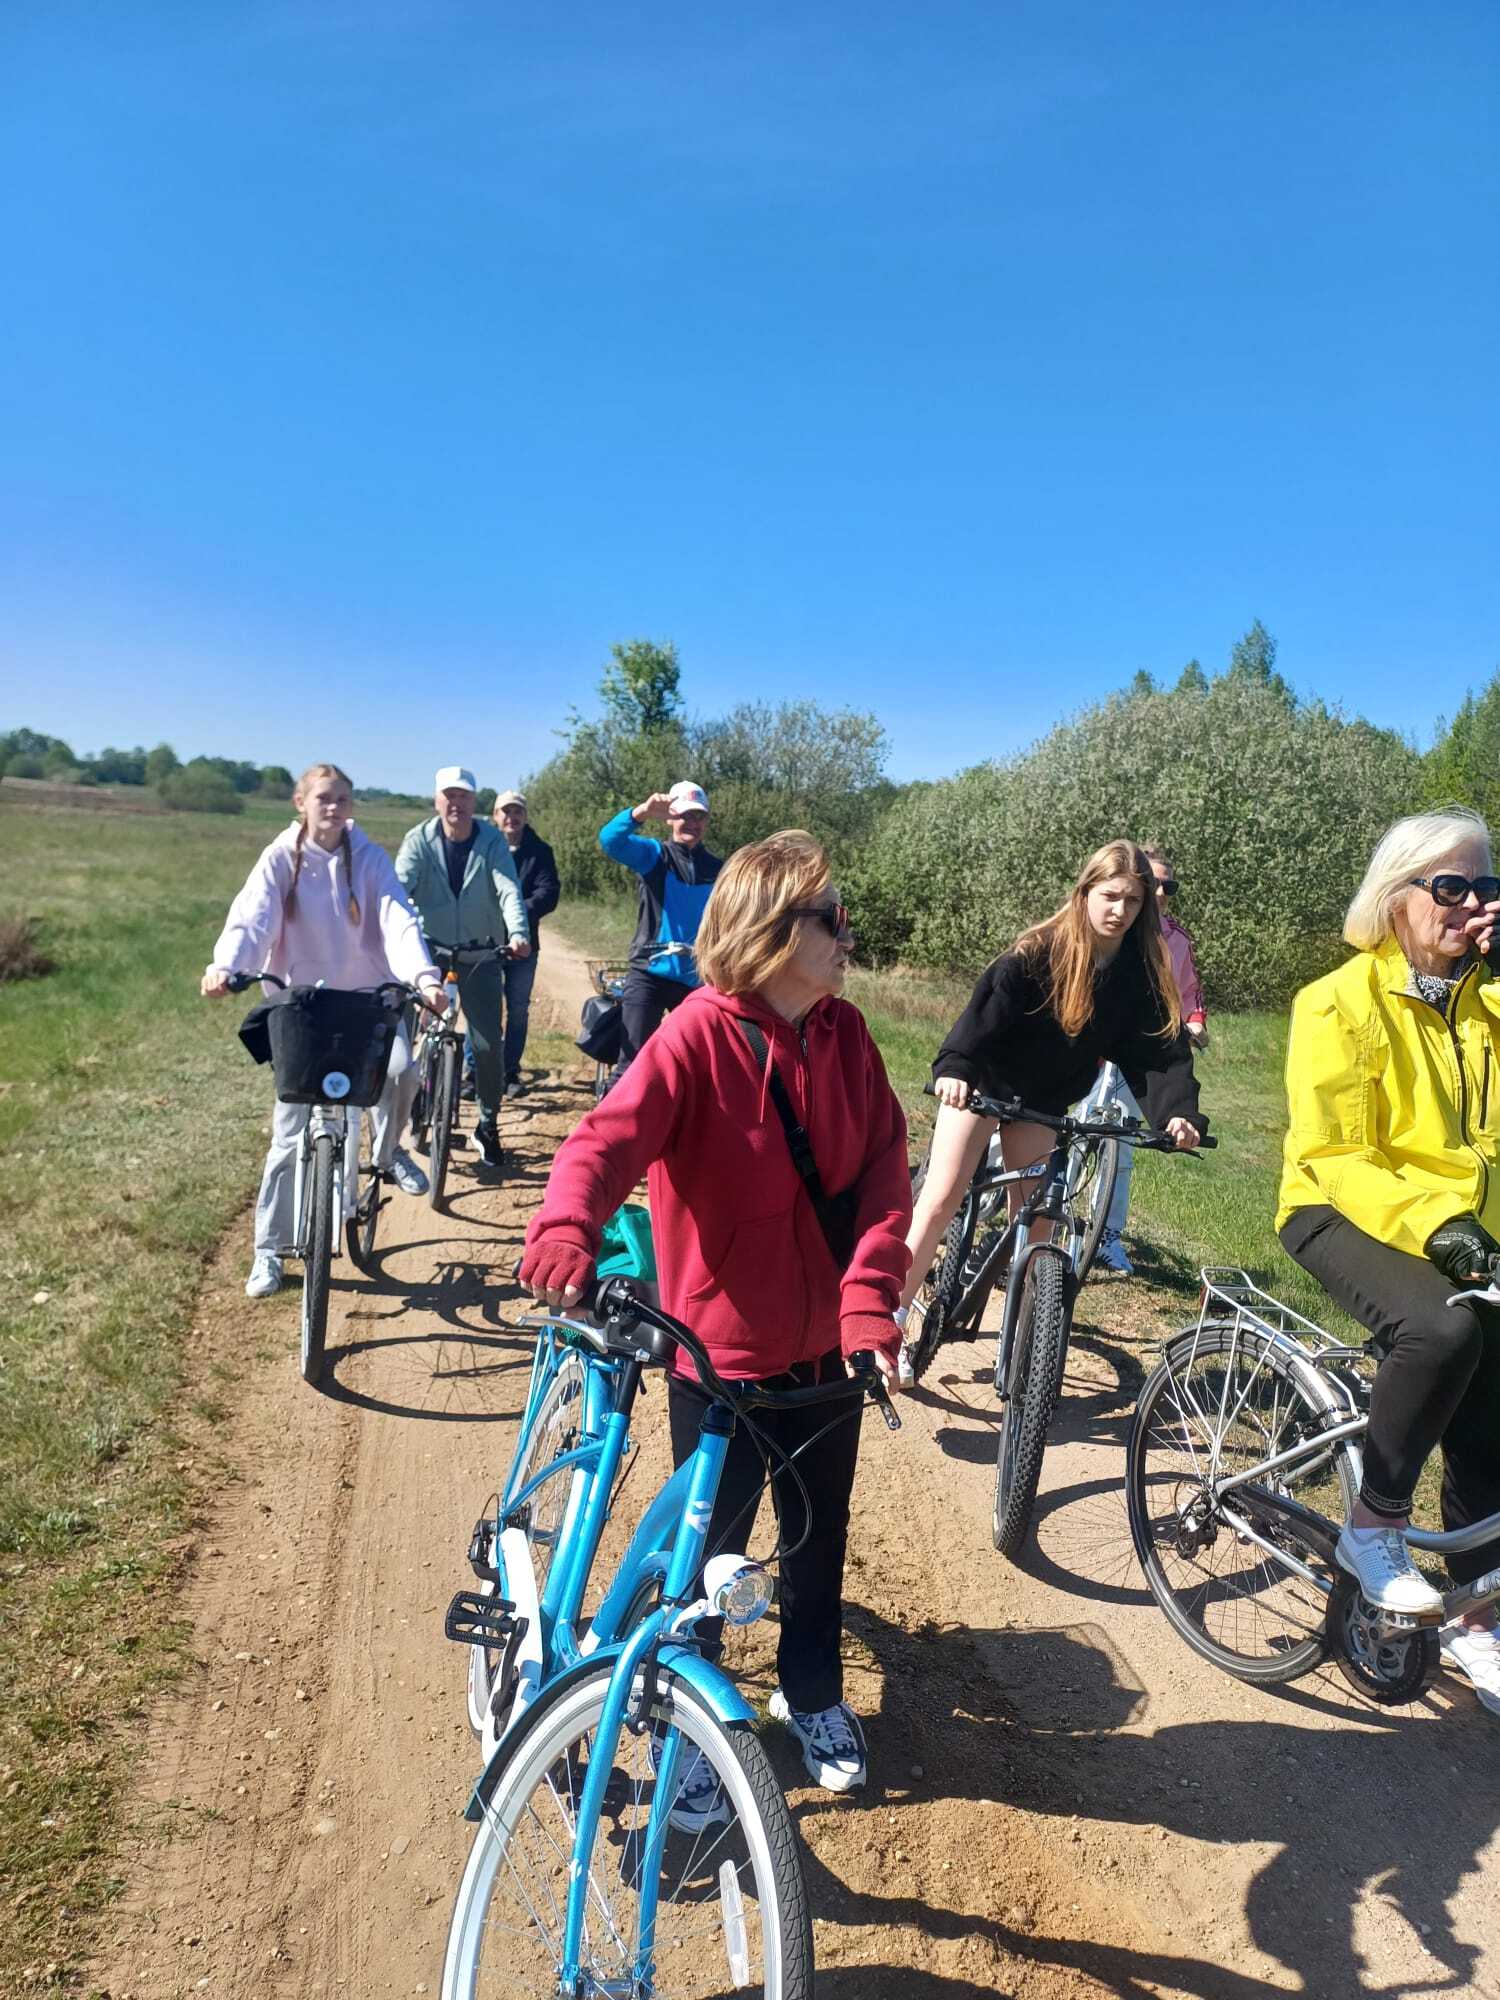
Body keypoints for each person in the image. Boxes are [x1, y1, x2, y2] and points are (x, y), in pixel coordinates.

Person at [521, 831, 910, 1797]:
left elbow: (884, 1178)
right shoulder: (694, 1036)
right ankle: (691, 1720)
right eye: (831, 918)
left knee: (817, 1533)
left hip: (828, 1352)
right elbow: (602, 1145)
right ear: (773, 931)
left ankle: (811, 1690)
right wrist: (567, 1228)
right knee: (709, 1552)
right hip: (718, 1355)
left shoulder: (848, 1036)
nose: (847, 934)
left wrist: (868, 1301)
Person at [1278, 805, 1500, 1716]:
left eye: (1486, 887)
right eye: (1451, 887)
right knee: (1443, 1333)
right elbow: (1335, 1153)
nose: (1472, 905)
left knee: (1491, 1401)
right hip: (1336, 1208)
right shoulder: (1336, 1001)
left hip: (1465, 1227)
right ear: (1395, 898)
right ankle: (1373, 1526)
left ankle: (1476, 1620)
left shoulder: (1488, 1005)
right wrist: (1443, 1227)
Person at [902, 840, 1204, 1331]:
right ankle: (886, 1327)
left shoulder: (1136, 974)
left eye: (1132, 900)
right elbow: (984, 1016)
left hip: (1042, 1099)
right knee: (941, 1198)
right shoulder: (1039, 951)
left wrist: (1179, 1113)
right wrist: (956, 1068)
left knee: (1038, 1224)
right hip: (984, 1084)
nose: (1120, 910)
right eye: (1110, 896)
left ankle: (1025, 1345)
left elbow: (1158, 1052)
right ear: (1085, 893)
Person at [202, 762, 446, 1298]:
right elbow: (253, 918)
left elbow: (397, 917)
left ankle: (388, 1153)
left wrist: (424, 978)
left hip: (364, 1004)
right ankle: (269, 1251)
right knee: (289, 1133)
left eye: (341, 799)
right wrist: (227, 966)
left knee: (401, 1071)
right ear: (301, 803)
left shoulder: (369, 859)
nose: (332, 808)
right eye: (322, 799)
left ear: (351, 806)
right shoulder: (279, 858)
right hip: (302, 1007)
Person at [395, 767, 530, 1171]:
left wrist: (518, 932)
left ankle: (487, 1124)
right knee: (404, 1031)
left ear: (474, 801)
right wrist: (387, 932)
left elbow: (508, 888)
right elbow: (398, 889)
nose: (456, 803)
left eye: (464, 796)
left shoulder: (491, 841)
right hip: (430, 952)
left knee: (488, 1045)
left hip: (480, 952)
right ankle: (412, 1093)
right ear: (437, 800)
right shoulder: (419, 840)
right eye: (449, 796)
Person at [1090, 844, 1211, 1274]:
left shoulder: (1177, 940)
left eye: (1168, 887)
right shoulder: (1110, 930)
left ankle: (1106, 1236)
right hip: (1093, 1049)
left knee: (1119, 1141)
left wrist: (1195, 1023)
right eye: (1153, 883)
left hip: (1143, 1054)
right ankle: (994, 1185)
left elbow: (1190, 992)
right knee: (1050, 1123)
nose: (1160, 893)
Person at [598, 781, 722, 1081]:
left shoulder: (718, 869)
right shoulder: (655, 855)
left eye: (699, 816)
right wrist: (640, 813)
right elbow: (610, 841)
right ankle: (613, 1110)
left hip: (695, 975)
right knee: (632, 1065)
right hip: (650, 972)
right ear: (669, 818)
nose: (692, 823)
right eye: (684, 815)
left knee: (699, 1066)